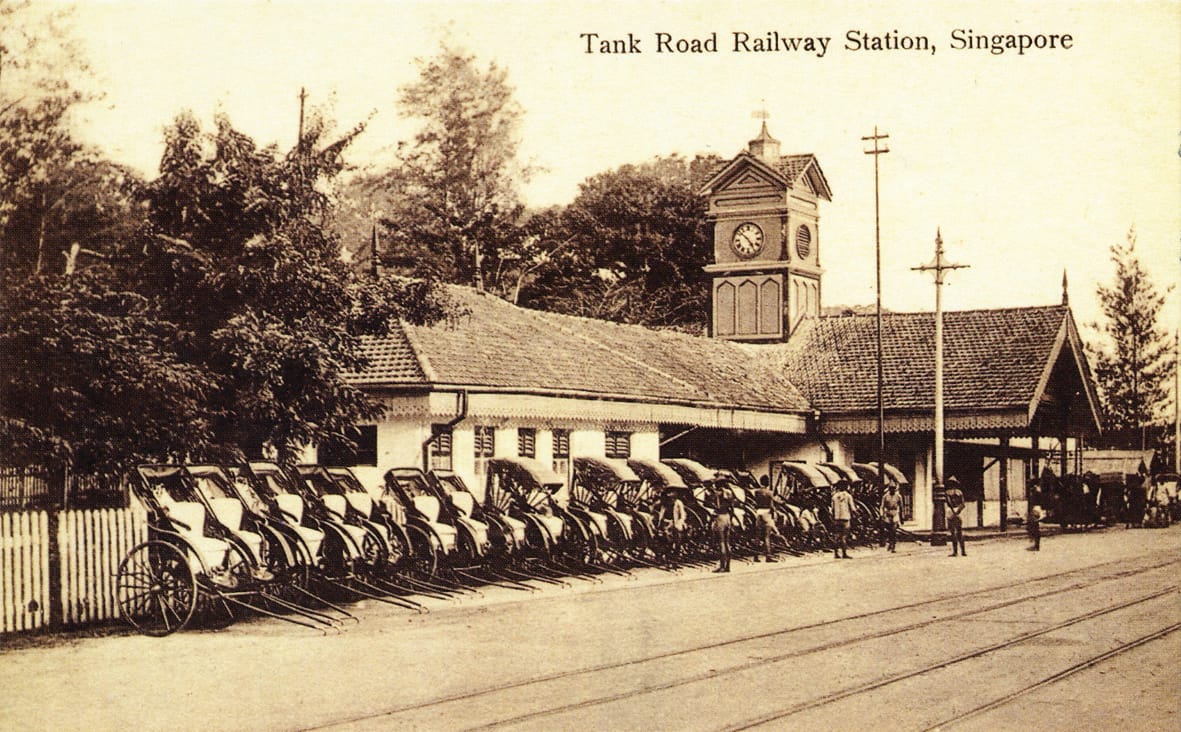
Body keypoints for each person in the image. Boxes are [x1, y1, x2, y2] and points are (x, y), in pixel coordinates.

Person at [708, 479, 737, 572]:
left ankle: (722, 566)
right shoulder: (729, 493)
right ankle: (728, 566)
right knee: (727, 542)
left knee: (721, 543)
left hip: (720, 517)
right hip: (727, 517)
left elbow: (712, 505)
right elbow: (732, 508)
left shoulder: (716, 494)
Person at [752, 475, 780, 562]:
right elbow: (771, 505)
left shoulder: (757, 492)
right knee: (767, 536)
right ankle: (768, 556)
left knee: (757, 535)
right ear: (767, 482)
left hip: (758, 512)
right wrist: (775, 511)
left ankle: (756, 556)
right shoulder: (769, 492)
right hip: (766, 513)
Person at [656, 488, 687, 566]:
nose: (671, 500)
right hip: (667, 523)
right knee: (668, 542)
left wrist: (679, 522)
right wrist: (660, 525)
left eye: (672, 498)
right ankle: (668, 560)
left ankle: (675, 560)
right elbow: (661, 515)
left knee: (677, 543)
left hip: (676, 524)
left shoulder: (678, 503)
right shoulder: (665, 503)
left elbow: (683, 515)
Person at [830, 479, 854, 559]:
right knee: (844, 537)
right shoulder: (848, 496)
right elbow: (852, 508)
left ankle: (836, 554)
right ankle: (844, 553)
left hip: (837, 518)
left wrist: (833, 518)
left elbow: (832, 509)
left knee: (836, 536)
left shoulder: (834, 496)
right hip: (845, 518)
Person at [945, 475, 966, 557]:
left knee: (953, 532)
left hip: (950, 511)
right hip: (959, 511)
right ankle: (963, 551)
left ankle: (955, 552)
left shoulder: (947, 493)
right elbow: (963, 504)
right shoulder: (960, 492)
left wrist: (953, 512)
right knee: (960, 532)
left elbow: (949, 503)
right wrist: (958, 511)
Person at [879, 482, 902, 553]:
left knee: (894, 530)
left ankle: (893, 546)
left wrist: (901, 517)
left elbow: (901, 506)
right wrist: (882, 515)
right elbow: (882, 506)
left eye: (893, 489)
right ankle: (890, 543)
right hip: (888, 513)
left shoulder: (898, 496)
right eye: (891, 489)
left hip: (895, 513)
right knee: (889, 531)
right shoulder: (885, 496)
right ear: (889, 489)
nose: (892, 490)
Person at [1027, 482, 1042, 551]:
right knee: (1035, 527)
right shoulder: (1036, 492)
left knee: (1034, 527)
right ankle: (1036, 545)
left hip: (1035, 509)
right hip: (1037, 509)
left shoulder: (1035, 493)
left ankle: (1036, 546)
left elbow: (1033, 502)